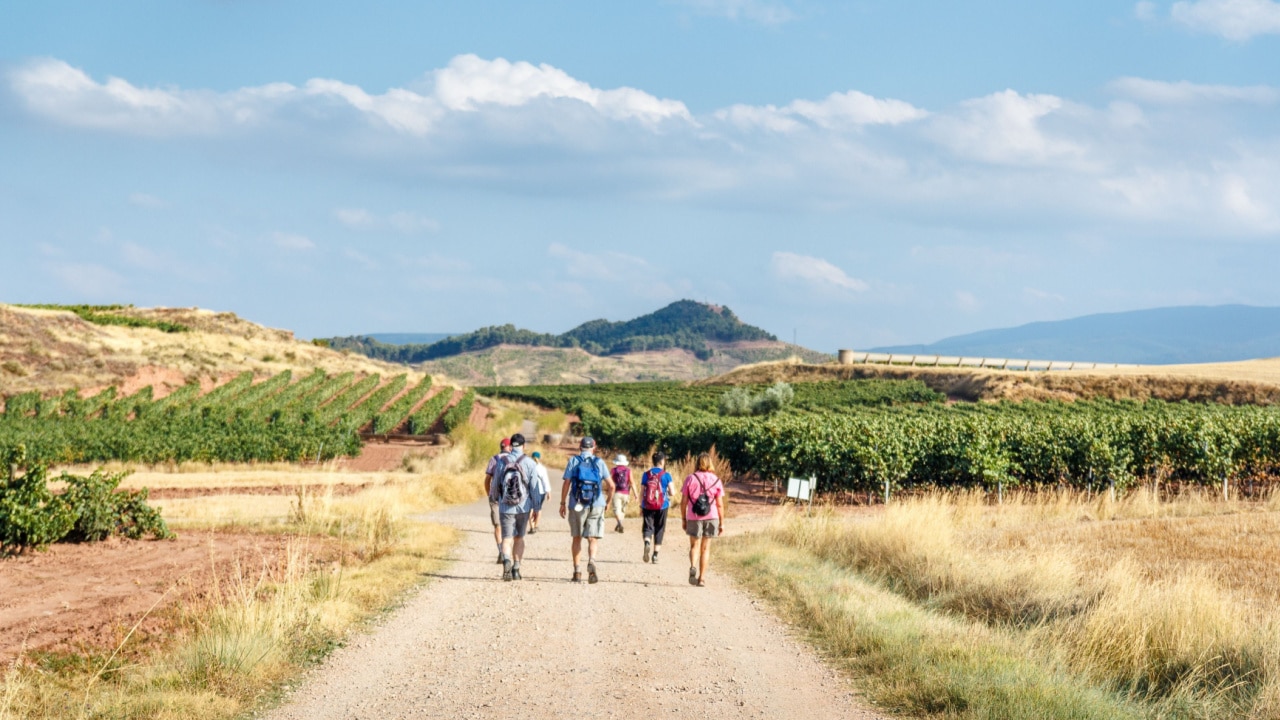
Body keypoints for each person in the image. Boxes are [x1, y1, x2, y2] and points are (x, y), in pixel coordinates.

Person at [488, 433, 543, 581]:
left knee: (507, 538)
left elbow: (495, 483)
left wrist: (494, 498)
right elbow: (534, 488)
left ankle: (506, 560)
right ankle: (516, 568)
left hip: (505, 506)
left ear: (511, 445)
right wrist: (537, 508)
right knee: (519, 537)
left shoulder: (502, 461)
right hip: (523, 507)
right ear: (524, 446)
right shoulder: (530, 463)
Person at [559, 436, 614, 584]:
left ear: (580, 447)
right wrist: (607, 502)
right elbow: (612, 486)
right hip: (596, 503)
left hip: (576, 503)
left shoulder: (573, 461)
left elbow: (566, 483)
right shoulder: (599, 462)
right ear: (593, 447)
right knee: (592, 537)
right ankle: (591, 560)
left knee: (576, 537)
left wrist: (563, 503)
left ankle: (577, 572)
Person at [682, 452, 725, 588]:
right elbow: (719, 504)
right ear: (710, 463)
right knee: (705, 548)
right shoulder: (716, 480)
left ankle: (693, 566)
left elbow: (683, 501)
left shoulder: (690, 478)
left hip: (694, 516)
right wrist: (722, 523)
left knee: (694, 546)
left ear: (697, 463)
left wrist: (684, 518)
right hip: (711, 516)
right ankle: (701, 578)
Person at [639, 451, 674, 564]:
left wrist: (641, 505)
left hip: (647, 505)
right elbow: (672, 492)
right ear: (662, 461)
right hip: (662, 506)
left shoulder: (646, 474)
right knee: (660, 528)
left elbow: (642, 492)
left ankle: (647, 543)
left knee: (648, 527)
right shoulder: (666, 475)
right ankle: (655, 555)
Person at [484, 437, 512, 563]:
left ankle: (501, 550)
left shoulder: (494, 459)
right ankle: (507, 553)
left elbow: (487, 480)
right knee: (509, 524)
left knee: (497, 525)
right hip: (511, 497)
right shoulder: (515, 459)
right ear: (509, 447)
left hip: (495, 496)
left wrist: (489, 494)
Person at [528, 451, 551, 533]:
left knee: (530, 509)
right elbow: (545, 481)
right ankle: (536, 525)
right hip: (541, 491)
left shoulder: (528, 467)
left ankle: (532, 527)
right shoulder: (542, 468)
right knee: (538, 509)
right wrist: (548, 492)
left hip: (529, 490)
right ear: (539, 458)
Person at [610, 454, 632, 534]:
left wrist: (609, 491)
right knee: (623, 510)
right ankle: (619, 523)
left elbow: (610, 482)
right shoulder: (628, 470)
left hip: (616, 492)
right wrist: (636, 494)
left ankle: (619, 524)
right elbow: (632, 482)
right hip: (626, 493)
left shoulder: (613, 470)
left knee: (616, 509)